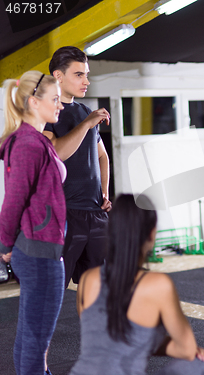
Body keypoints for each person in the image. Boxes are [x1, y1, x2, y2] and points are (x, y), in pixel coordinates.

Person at [69, 194, 204, 375]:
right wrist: (151, 337)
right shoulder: (158, 285)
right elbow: (187, 349)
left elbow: (102, 339)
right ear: (152, 234)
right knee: (198, 364)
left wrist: (142, 337)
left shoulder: (87, 280)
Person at [0, 71, 66, 375]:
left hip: (38, 250)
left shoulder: (34, 140)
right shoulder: (28, 143)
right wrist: (5, 245)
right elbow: (13, 201)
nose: (60, 105)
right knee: (35, 342)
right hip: (38, 253)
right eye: (55, 99)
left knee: (30, 339)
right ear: (32, 102)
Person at [43, 46, 111, 289]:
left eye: (86, 74)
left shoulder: (83, 111)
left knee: (95, 287)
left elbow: (102, 156)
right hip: (64, 214)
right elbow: (56, 153)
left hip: (95, 213)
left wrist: (104, 192)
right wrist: (87, 123)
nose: (86, 81)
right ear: (58, 76)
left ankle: (94, 329)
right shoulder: (47, 111)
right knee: (53, 287)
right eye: (79, 74)